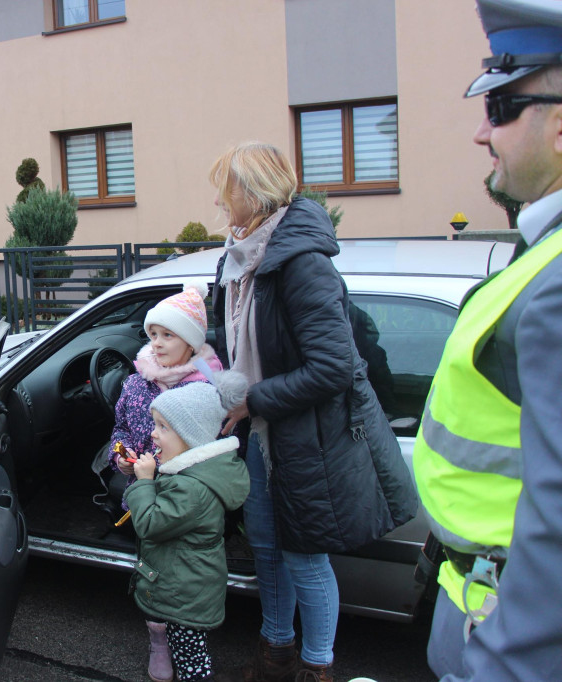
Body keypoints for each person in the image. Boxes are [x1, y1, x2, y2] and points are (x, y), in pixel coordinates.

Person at [209, 142, 417, 682]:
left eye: (225, 189)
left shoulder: (303, 263)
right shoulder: (235, 260)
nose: (219, 201)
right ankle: (275, 653)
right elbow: (233, 340)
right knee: (267, 550)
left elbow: (333, 368)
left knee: (304, 558)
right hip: (259, 434)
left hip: (308, 437)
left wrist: (253, 398)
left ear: (252, 194)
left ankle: (316, 669)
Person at [414, 1, 562, 679]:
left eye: (501, 107)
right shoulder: (542, 255)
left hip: (504, 621)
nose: (481, 133)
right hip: (473, 591)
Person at [107, 281, 224, 682]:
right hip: (142, 493)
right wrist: (121, 456)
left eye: (167, 335)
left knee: (182, 578)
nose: (156, 343)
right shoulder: (137, 380)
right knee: (150, 570)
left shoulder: (206, 386)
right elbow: (121, 427)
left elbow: (215, 449)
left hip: (181, 502)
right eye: (153, 334)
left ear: (190, 342)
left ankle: (185, 641)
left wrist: (160, 471)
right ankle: (158, 640)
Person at [123, 381, 248, 682]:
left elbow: (150, 523)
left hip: (185, 594)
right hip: (187, 586)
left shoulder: (191, 487)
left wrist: (143, 482)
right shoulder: (193, 474)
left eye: (163, 427)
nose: (153, 433)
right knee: (188, 651)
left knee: (192, 661)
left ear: (190, 436)